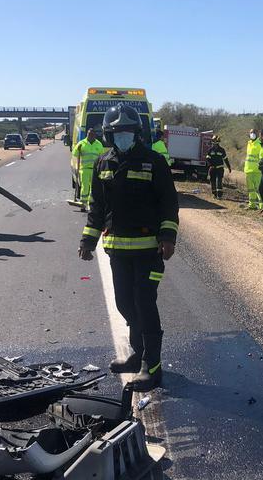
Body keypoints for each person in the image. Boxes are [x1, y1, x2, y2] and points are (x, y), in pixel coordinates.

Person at [78, 104, 179, 391]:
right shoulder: (102, 162)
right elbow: (97, 206)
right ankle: (138, 354)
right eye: (118, 132)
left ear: (137, 133)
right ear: (109, 135)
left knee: (145, 303)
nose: (124, 136)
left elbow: (168, 203)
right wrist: (88, 240)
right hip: (117, 250)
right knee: (125, 303)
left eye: (128, 132)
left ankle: (152, 366)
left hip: (149, 251)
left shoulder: (154, 161)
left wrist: (168, 237)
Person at [72, 127, 105, 211]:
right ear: (87, 134)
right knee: (84, 187)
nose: (90, 136)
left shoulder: (99, 144)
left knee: (93, 188)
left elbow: (102, 157)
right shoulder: (81, 143)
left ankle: (91, 205)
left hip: (95, 170)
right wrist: (78, 149)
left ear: (95, 135)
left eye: (92, 134)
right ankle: (83, 204)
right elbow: (75, 154)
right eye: (89, 134)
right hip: (84, 169)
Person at [243, 128, 262, 210]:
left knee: (259, 190)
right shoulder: (249, 144)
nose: (252, 134)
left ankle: (262, 207)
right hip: (248, 170)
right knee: (251, 190)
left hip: (257, 171)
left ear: (257, 134)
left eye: (254, 132)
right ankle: (252, 205)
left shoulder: (260, 144)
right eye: (251, 132)